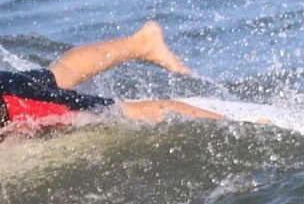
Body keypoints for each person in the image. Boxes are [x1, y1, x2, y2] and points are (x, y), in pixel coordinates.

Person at [0, 20, 224, 136]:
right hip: (8, 90)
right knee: (58, 76)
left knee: (117, 113)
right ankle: (142, 44)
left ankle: (225, 123)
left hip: (10, 104)